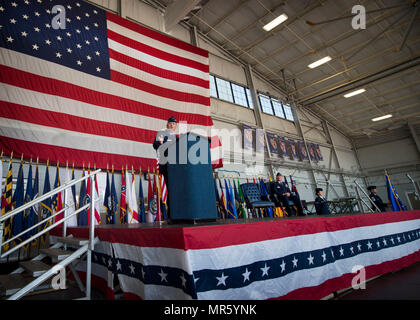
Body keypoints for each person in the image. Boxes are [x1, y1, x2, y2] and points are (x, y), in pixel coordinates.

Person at [153, 116, 178, 221]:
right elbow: (155, 145)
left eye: (174, 124)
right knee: (168, 190)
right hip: (166, 166)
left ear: (176, 126)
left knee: (174, 190)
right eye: (170, 123)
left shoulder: (176, 137)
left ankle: (176, 212)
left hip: (175, 167)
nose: (172, 125)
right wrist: (160, 143)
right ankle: (170, 214)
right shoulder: (161, 133)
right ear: (167, 124)